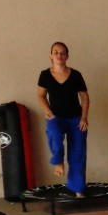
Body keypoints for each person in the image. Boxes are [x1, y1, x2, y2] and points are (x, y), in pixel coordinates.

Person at [37, 42, 90, 198]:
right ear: (51, 55)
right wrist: (46, 110)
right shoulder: (45, 75)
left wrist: (84, 118)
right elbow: (40, 95)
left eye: (62, 52)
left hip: (75, 119)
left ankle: (78, 189)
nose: (59, 55)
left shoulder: (76, 75)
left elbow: (85, 98)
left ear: (67, 56)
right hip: (56, 117)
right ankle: (58, 161)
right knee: (53, 132)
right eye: (56, 52)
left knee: (78, 153)